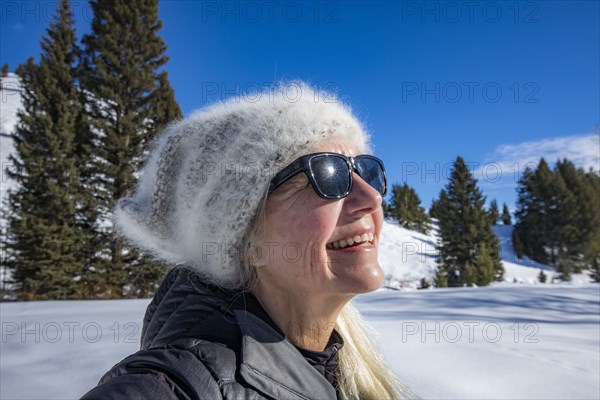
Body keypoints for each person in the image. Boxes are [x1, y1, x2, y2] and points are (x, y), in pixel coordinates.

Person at [81, 82, 414, 400]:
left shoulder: (339, 365)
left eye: (366, 170)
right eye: (328, 173)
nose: (371, 196)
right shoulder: (180, 383)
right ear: (245, 240)